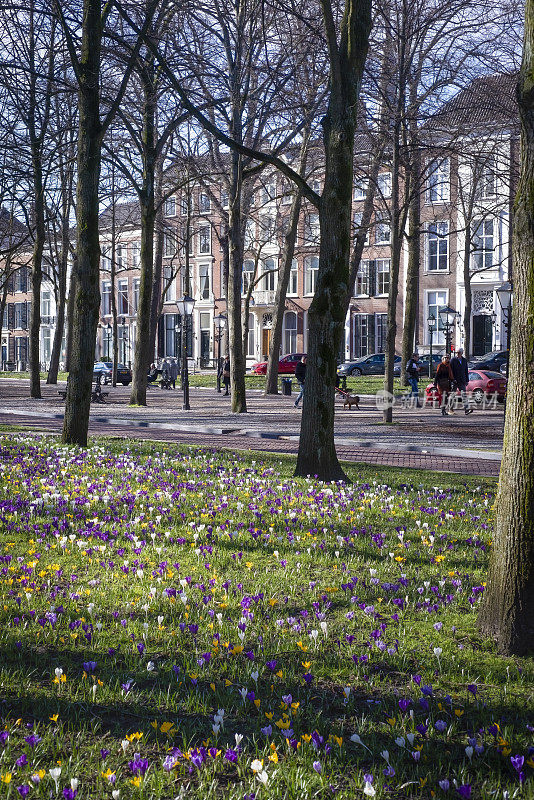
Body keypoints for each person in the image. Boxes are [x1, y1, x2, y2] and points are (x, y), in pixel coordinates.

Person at [450, 347, 473, 414]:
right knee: (452, 395)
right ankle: (450, 409)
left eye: (459, 353)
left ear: (462, 353)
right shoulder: (453, 360)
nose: (457, 354)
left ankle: (466, 409)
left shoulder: (464, 360)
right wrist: (452, 379)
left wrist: (467, 380)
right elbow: (450, 370)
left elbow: (466, 370)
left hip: (462, 380)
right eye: (456, 353)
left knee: (464, 395)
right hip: (455, 380)